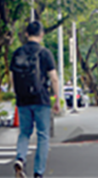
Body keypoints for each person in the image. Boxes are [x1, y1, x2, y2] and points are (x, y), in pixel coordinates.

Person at [10, 21, 60, 178]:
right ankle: (38, 173)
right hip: (41, 100)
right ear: (41, 34)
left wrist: (16, 93)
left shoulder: (17, 53)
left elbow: (12, 77)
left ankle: (20, 158)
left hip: (23, 100)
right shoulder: (45, 53)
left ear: (26, 34)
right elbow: (54, 78)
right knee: (43, 135)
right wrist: (57, 99)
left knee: (24, 132)